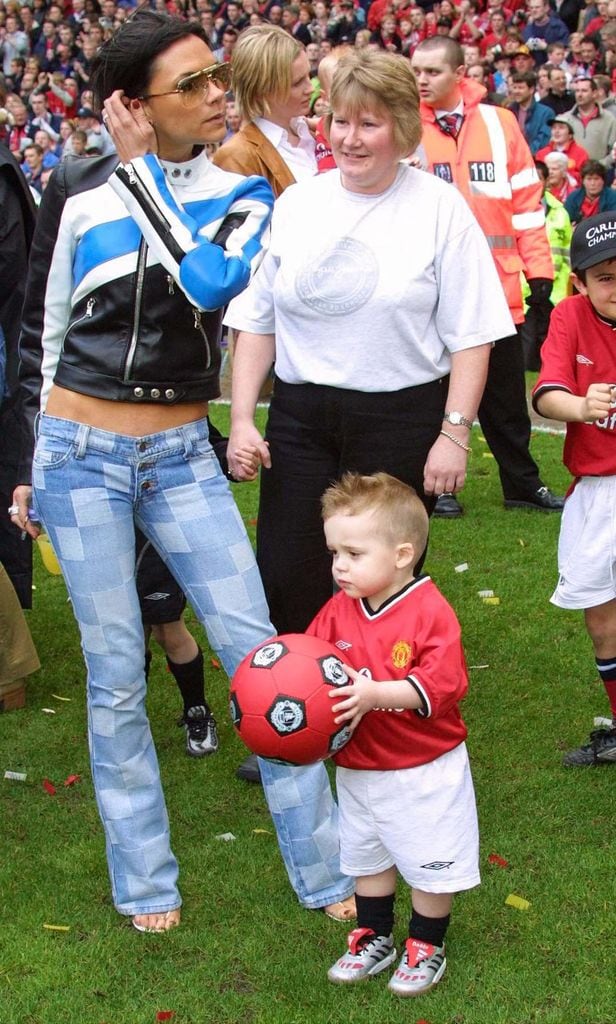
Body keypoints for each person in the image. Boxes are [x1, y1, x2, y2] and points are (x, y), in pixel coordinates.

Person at [10, 10, 279, 935]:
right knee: (116, 670)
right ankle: (145, 882)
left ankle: (326, 870)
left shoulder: (244, 188)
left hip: (179, 452)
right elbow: (41, 335)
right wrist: (27, 464)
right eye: (194, 84)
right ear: (134, 105)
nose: (217, 96)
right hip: (76, 455)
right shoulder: (75, 190)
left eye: (219, 80)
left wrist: (137, 179)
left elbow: (209, 285)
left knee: (255, 650)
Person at [224, 48, 513, 854]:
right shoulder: (301, 204)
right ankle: (302, 713)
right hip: (306, 415)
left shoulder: (440, 210)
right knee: (290, 573)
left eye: (369, 122)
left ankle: (378, 715)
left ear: (403, 127)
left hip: (400, 414)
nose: (350, 138)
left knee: (380, 585)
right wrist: (245, 419)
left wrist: (454, 431)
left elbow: (472, 335)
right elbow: (257, 319)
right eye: (338, 120)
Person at [307, 472, 479, 995]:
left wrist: (375, 693)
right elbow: (309, 666)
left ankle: (427, 942)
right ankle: (373, 935)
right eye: (334, 551)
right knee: (367, 856)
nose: (339, 565)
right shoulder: (339, 608)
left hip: (424, 771)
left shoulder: (429, 611)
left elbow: (444, 684)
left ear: (403, 554)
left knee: (430, 861)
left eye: (354, 554)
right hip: (360, 767)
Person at [411, 36, 564, 518]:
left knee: (505, 400)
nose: (420, 81)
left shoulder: (500, 124)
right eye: (416, 71)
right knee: (432, 390)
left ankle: (521, 484)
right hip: (429, 287)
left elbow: (526, 207)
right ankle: (440, 487)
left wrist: (540, 273)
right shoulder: (404, 123)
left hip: (498, 289)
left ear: (459, 74)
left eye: (432, 72)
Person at [532, 212, 616, 765]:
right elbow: (545, 395)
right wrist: (583, 406)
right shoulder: (569, 315)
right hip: (597, 490)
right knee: (600, 615)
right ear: (579, 282)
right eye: (605, 276)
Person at [212, 24, 316, 196]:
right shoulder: (236, 156)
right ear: (262, 91)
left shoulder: (316, 131)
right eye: (297, 83)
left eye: (309, 76)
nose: (310, 88)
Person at [564, 157, 616, 223]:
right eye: (589, 179)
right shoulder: (573, 197)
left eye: (596, 179)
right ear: (583, 181)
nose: (592, 183)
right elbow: (566, 220)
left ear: (603, 180)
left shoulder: (613, 197)